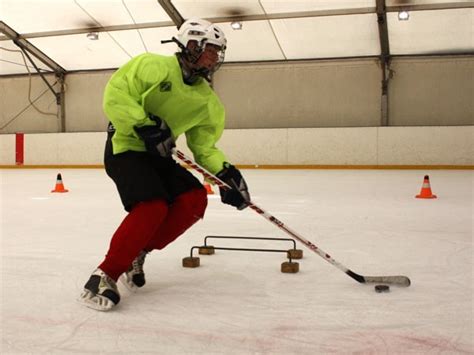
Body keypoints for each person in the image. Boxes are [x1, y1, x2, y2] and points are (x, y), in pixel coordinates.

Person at [79, 18, 250, 311]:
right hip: (126, 148)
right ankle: (103, 276)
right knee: (152, 205)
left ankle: (137, 252)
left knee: (194, 200)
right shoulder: (152, 66)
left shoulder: (207, 101)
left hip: (159, 155)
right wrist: (143, 125)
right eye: (211, 49)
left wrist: (225, 173)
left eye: (218, 52)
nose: (215, 58)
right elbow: (117, 95)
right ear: (192, 44)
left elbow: (204, 145)